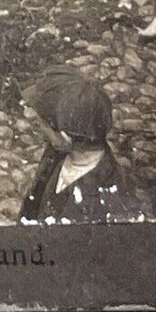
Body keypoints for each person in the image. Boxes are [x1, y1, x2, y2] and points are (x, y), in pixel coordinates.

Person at [18, 67, 131, 224]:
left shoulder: (105, 200)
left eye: (43, 124)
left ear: (65, 137)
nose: (39, 128)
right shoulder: (57, 152)